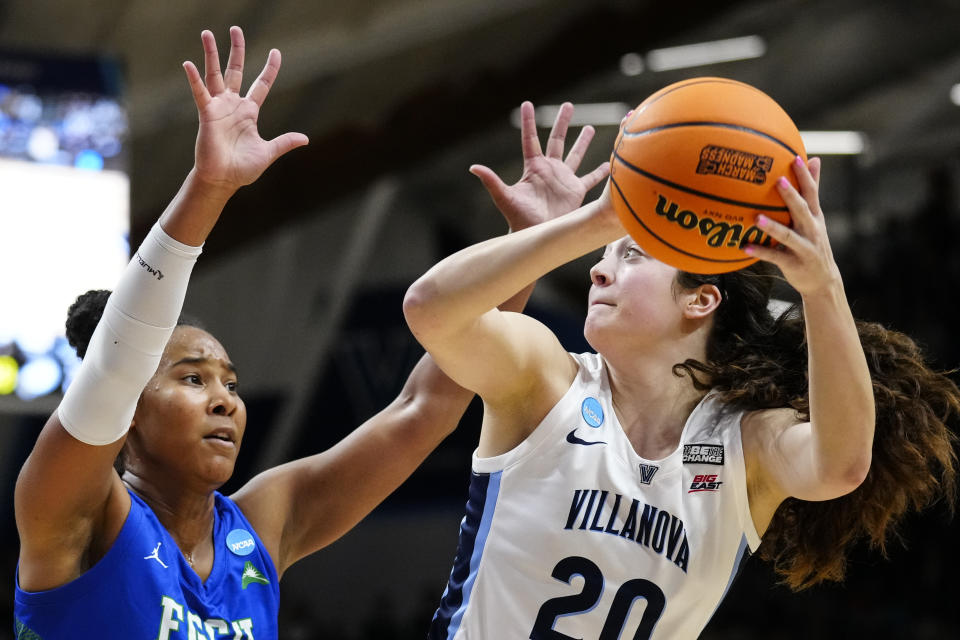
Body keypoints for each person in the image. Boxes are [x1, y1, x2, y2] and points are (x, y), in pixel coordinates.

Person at [11, 29, 609, 638]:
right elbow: (116, 364)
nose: (225, 400)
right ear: (129, 411)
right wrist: (210, 188)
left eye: (231, 383)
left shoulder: (263, 524)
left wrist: (528, 250)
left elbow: (423, 408)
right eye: (193, 379)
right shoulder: (77, 511)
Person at [403, 101, 959, 639]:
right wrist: (597, 219)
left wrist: (821, 286)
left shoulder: (744, 442)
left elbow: (842, 465)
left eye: (631, 254)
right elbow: (430, 308)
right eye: (604, 252)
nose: (598, 269)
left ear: (700, 300)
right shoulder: (544, 380)